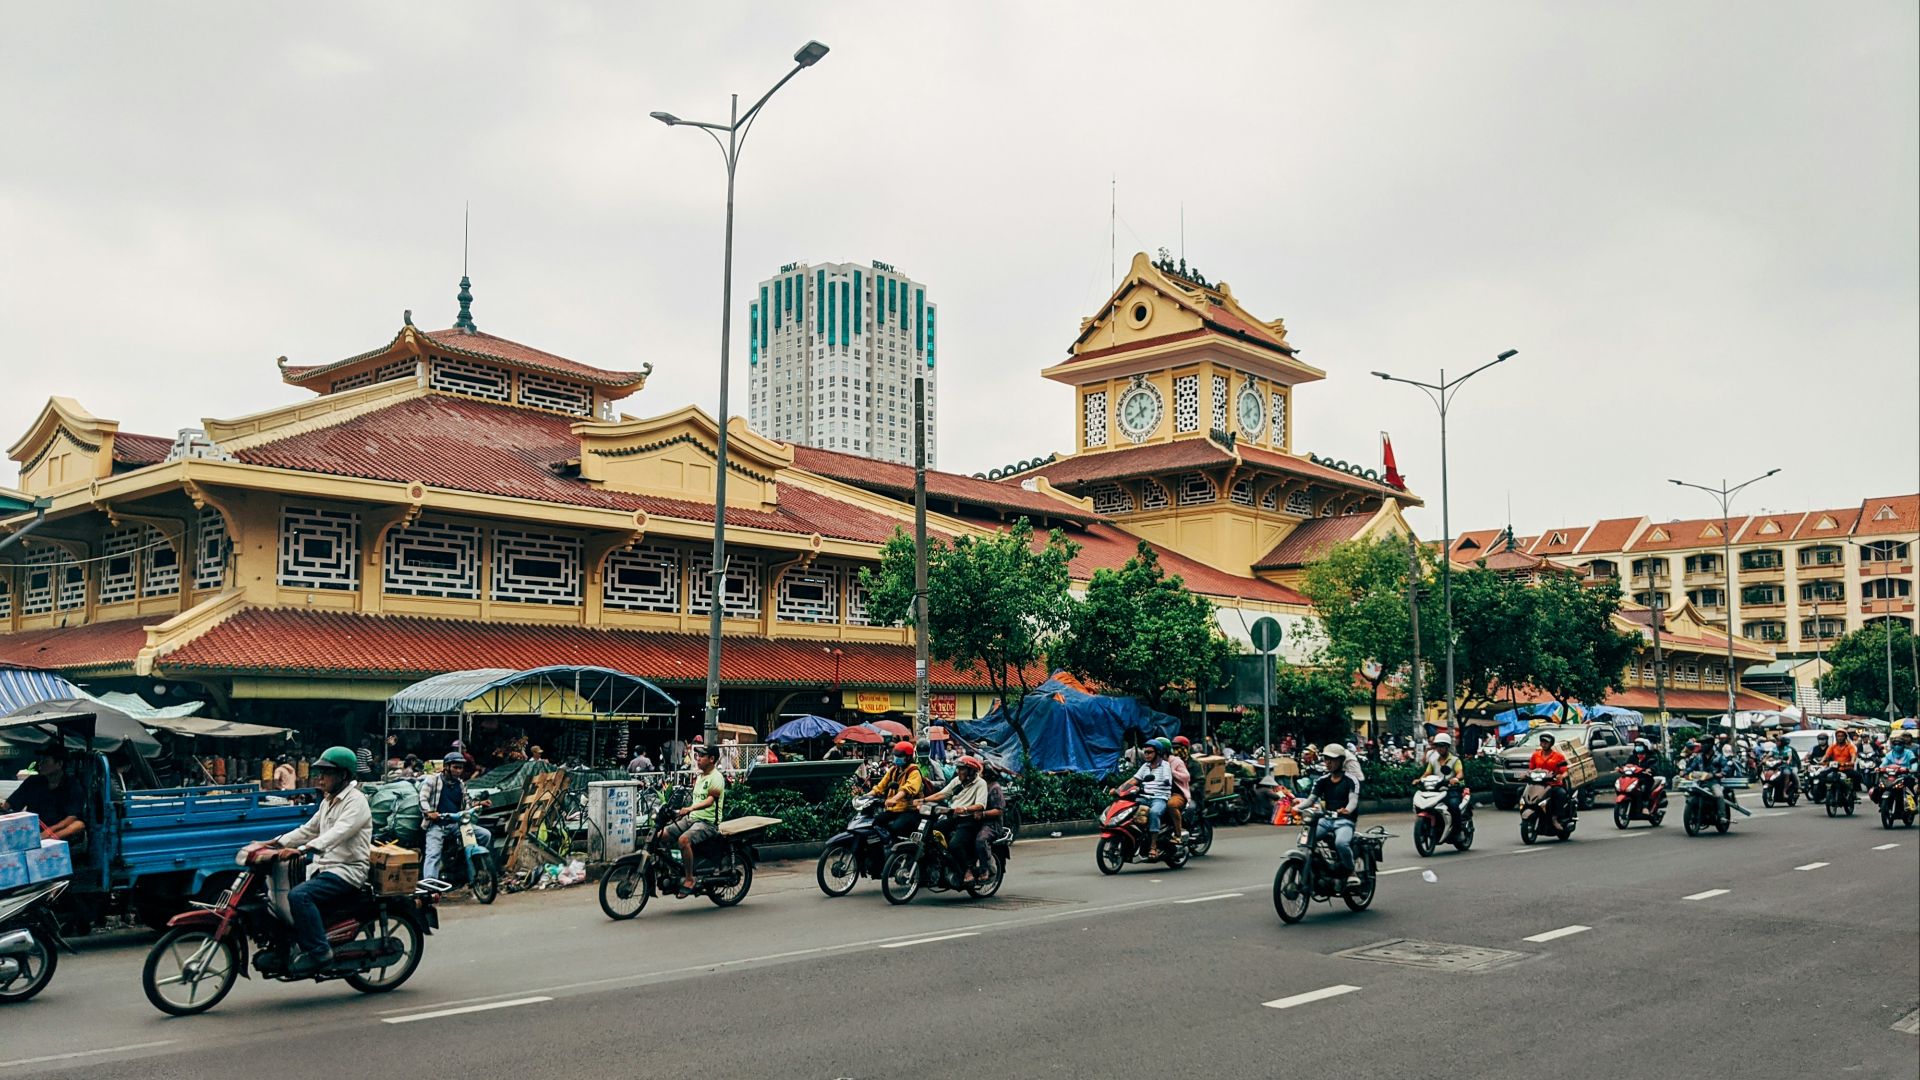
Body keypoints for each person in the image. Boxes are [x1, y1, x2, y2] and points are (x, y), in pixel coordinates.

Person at [267, 747, 371, 975]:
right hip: (324, 866)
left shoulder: (356, 802)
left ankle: (320, 953)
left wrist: (302, 850)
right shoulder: (328, 801)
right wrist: (275, 843)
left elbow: (338, 833)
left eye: (326, 773)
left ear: (343, 775)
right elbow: (308, 830)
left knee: (300, 895)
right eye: (320, 773)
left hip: (347, 870)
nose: (320, 778)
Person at [657, 743, 725, 895]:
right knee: (661, 834)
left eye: (701, 756)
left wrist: (690, 809)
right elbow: (694, 800)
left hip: (707, 823)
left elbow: (710, 801)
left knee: (683, 840)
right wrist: (678, 810)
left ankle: (689, 878)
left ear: (712, 759)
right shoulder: (700, 776)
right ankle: (673, 869)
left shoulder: (716, 777)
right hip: (692, 819)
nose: (698, 759)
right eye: (697, 756)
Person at [419, 752, 492, 884]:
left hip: (457, 824)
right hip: (437, 825)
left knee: (484, 835)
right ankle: (430, 887)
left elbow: (467, 803)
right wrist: (429, 812)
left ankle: (476, 868)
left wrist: (479, 804)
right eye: (455, 767)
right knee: (433, 854)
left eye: (460, 768)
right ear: (446, 767)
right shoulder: (433, 781)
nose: (458, 771)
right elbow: (423, 798)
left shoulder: (460, 784)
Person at [919, 755, 991, 882]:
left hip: (969, 820)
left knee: (954, 845)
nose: (958, 772)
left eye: (962, 769)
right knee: (932, 832)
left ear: (970, 771)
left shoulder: (981, 783)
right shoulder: (957, 781)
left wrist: (965, 809)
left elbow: (981, 805)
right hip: (953, 816)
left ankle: (967, 869)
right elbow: (943, 794)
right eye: (958, 769)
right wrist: (923, 800)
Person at [0, 743, 87, 842]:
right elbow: (11, 804)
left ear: (59, 764)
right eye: (41, 760)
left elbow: (72, 817)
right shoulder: (32, 781)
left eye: (45, 761)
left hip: (57, 832)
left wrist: (48, 832)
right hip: (31, 829)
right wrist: (3, 808)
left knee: (78, 825)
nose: (40, 764)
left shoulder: (73, 786)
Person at [1304, 744, 1362, 888]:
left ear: (1341, 761)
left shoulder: (1351, 780)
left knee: (1341, 843)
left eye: (1332, 759)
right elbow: (1310, 800)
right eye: (1326, 759)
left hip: (1344, 821)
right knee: (1304, 839)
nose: (1328, 762)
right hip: (1326, 820)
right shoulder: (1322, 780)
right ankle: (1320, 867)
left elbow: (1353, 801)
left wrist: (1347, 810)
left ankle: (1350, 872)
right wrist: (1294, 807)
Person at [1115, 738, 1175, 858]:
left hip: (1159, 798)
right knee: (1127, 807)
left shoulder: (1165, 766)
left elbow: (1167, 780)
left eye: (1149, 752)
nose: (1146, 754)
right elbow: (1134, 780)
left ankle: (1153, 846)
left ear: (1157, 753)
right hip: (1144, 797)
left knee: (1154, 813)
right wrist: (1119, 789)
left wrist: (1160, 782)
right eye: (1145, 752)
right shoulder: (1145, 766)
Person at [863, 741, 926, 838]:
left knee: (895, 828)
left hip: (909, 810)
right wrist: (865, 796)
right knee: (876, 822)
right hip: (894, 809)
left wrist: (894, 799)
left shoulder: (914, 771)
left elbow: (907, 788)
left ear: (908, 757)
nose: (896, 758)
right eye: (896, 755)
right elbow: (880, 786)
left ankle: (899, 850)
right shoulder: (893, 770)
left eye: (900, 756)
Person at [1420, 733, 1466, 827]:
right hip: (1437, 789)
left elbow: (1460, 772)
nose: (1439, 748)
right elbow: (1427, 773)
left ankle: (1457, 830)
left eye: (1442, 746)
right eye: (1437, 746)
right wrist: (1419, 779)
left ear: (1447, 747)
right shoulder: (1433, 761)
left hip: (1452, 789)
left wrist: (1456, 779)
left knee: (1453, 805)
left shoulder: (1455, 760)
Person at [1528, 732, 1572, 824]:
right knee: (1521, 791)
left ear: (1551, 744)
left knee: (1561, 794)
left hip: (1553, 784)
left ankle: (1555, 818)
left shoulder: (1558, 756)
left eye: (1546, 742)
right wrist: (1526, 774)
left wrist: (1561, 776)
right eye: (1542, 742)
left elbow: (1565, 771)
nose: (1544, 744)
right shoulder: (1535, 755)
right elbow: (1531, 769)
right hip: (1538, 784)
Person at [1167, 735, 1195, 837]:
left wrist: (1189, 789)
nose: (1177, 751)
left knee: (1189, 810)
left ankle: (1183, 830)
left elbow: (1199, 781)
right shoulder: (1169, 762)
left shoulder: (1194, 764)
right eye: (1174, 748)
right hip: (1170, 792)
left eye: (1179, 748)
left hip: (1190, 794)